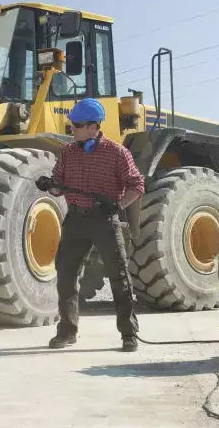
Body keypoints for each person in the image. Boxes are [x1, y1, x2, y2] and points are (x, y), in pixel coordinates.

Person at [35, 98, 145, 352]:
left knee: (120, 278)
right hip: (75, 221)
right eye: (71, 124)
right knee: (66, 277)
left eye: (77, 125)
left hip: (105, 221)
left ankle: (129, 334)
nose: (71, 129)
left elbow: (137, 185)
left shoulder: (117, 153)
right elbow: (57, 185)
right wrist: (49, 185)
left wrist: (118, 205)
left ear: (94, 128)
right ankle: (67, 332)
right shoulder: (68, 152)